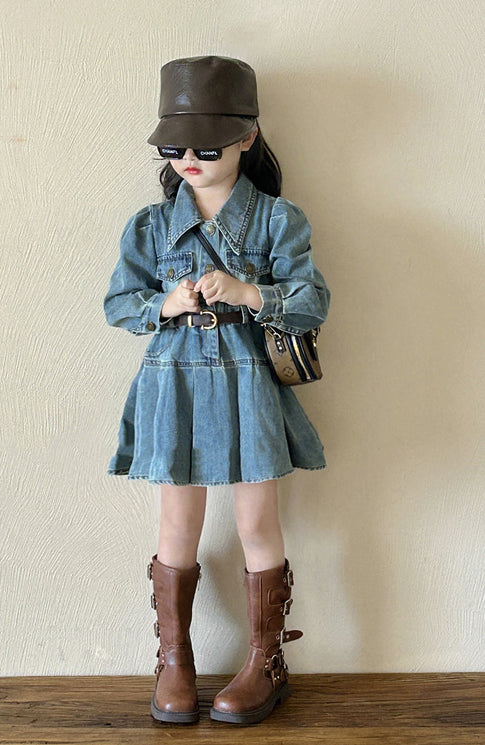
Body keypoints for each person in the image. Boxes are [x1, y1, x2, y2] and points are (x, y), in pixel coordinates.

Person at [103, 55, 330, 725]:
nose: (190, 162)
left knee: (257, 522)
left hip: (249, 386)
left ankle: (265, 661)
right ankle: (174, 661)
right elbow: (119, 303)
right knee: (178, 526)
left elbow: (311, 301)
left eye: (207, 148)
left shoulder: (277, 219)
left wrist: (249, 293)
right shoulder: (149, 226)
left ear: (246, 138)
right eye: (175, 149)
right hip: (173, 387)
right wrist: (166, 304)